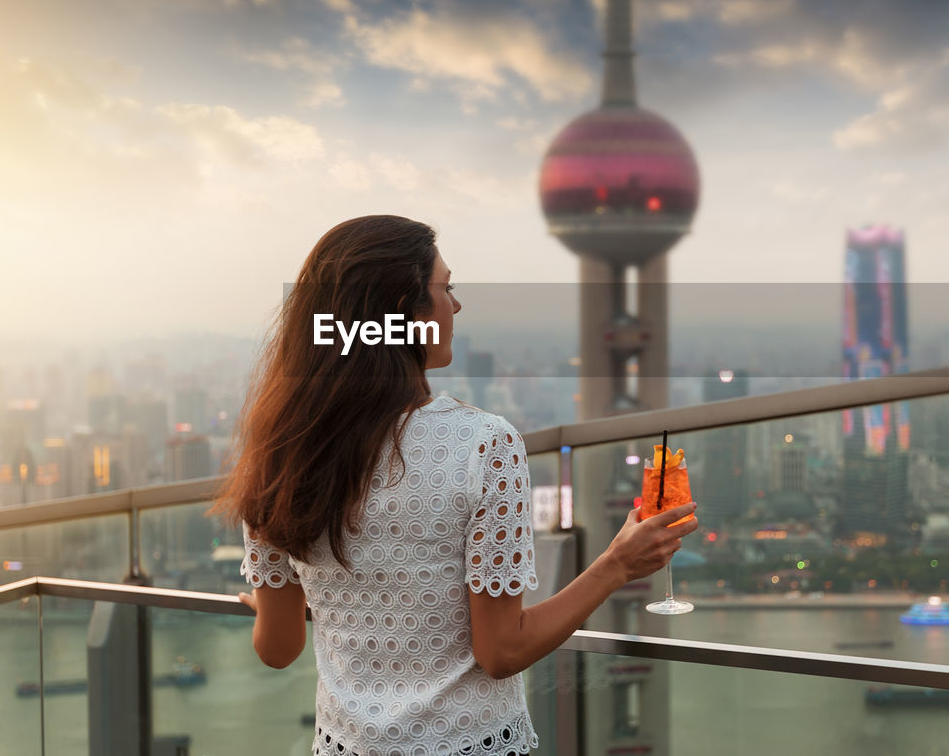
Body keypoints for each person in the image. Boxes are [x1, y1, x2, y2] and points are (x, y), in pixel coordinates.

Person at [212, 215, 698, 755]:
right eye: (446, 288)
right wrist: (618, 566)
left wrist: (286, 605)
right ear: (404, 310)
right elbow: (501, 651)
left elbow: (278, 648)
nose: (456, 306)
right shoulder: (483, 445)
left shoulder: (280, 448)